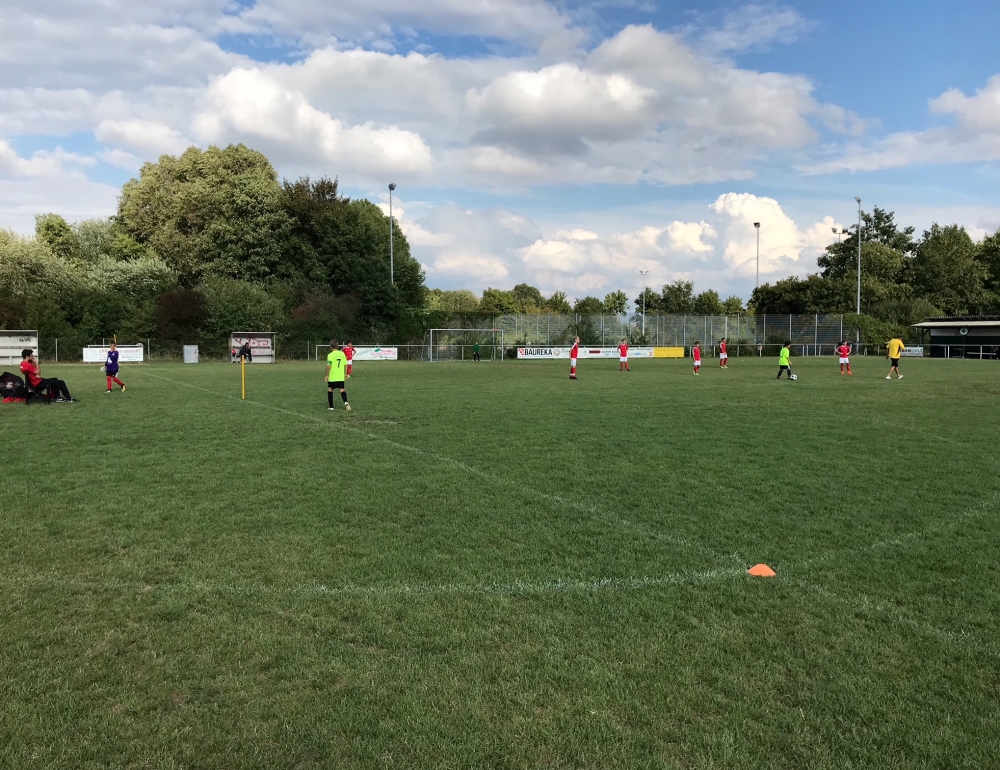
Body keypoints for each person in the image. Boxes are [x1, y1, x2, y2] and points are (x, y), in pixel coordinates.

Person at [324, 340, 351, 411]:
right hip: (340, 376)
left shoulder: (330, 355)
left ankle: (331, 407)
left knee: (330, 389)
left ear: (331, 346)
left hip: (333, 376)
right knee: (342, 390)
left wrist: (326, 375)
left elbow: (328, 366)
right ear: (337, 346)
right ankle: (346, 402)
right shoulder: (342, 354)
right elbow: (346, 364)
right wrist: (346, 374)